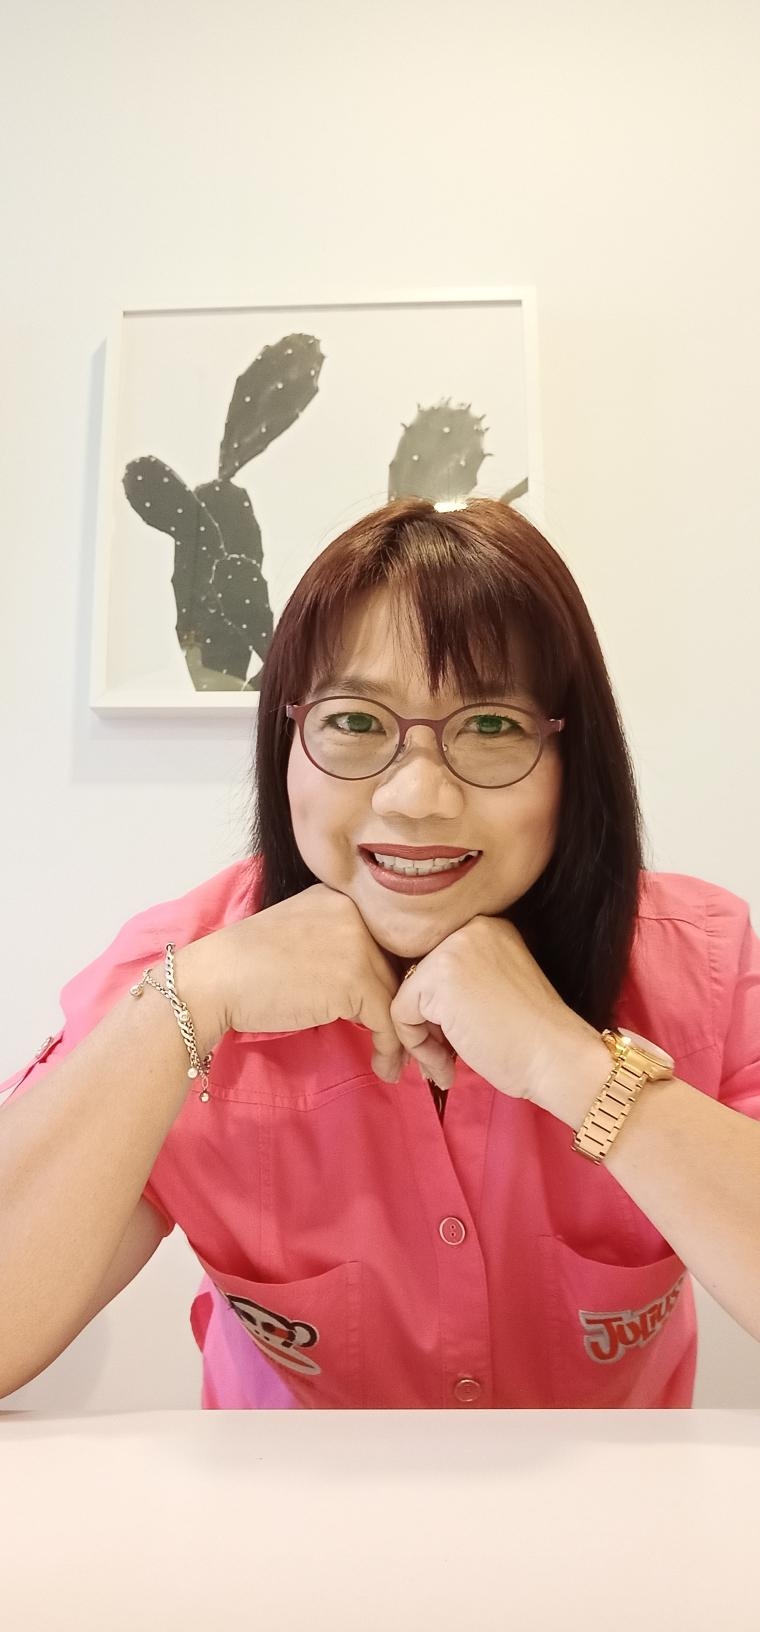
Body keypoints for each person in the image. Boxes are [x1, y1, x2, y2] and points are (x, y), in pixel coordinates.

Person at [2, 495, 759, 1409]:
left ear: (574, 759)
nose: (416, 797)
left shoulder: (701, 963)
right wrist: (193, 1001)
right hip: (281, 1500)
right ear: (286, 740)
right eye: (357, 722)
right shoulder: (173, 978)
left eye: (492, 725)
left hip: (616, 1502)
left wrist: (575, 1067)